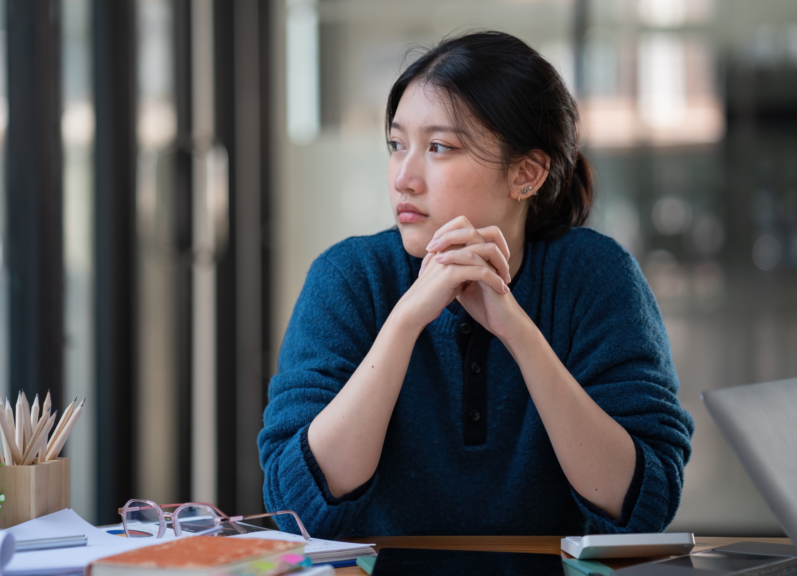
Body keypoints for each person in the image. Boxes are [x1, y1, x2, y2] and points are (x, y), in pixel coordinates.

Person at [258, 31, 694, 538]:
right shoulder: (348, 277)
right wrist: (405, 322)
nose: (404, 176)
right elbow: (295, 505)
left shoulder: (597, 276)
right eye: (397, 145)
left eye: (439, 147)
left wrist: (517, 330)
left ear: (526, 174)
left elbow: (644, 499)